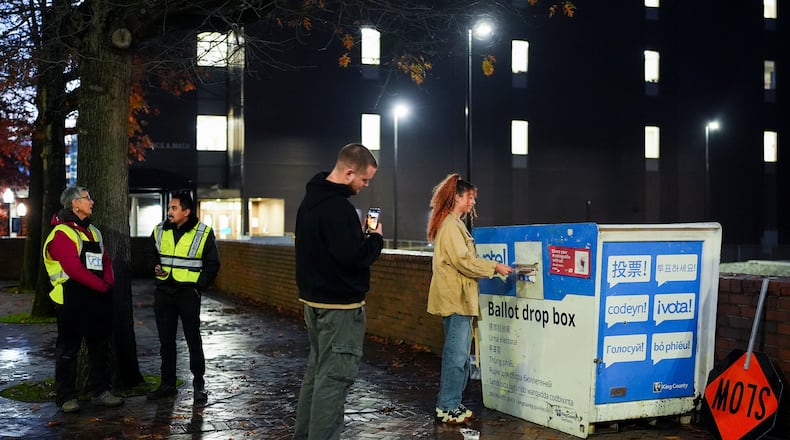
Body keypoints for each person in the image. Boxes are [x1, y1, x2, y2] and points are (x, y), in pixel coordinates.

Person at [293, 143, 384, 440]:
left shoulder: (310, 201)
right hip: (340, 309)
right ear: (348, 173)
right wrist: (375, 240)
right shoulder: (339, 209)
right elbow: (354, 257)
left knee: (316, 376)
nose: (365, 185)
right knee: (334, 381)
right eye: (364, 179)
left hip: (313, 302)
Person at [426, 173, 513, 424]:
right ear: (457, 197)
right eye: (470, 197)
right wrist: (494, 267)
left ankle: (451, 403)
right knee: (456, 356)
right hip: (456, 301)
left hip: (457, 299)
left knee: (460, 356)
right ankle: (448, 406)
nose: (473, 202)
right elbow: (464, 262)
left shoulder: (451, 224)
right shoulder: (452, 226)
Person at [43, 186, 124, 413]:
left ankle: (102, 391)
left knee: (100, 347)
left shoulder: (94, 231)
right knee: (68, 350)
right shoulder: (61, 233)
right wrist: (102, 286)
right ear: (74, 204)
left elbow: (105, 259)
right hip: (71, 300)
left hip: (97, 297)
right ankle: (66, 397)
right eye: (87, 198)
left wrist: (108, 282)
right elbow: (73, 269)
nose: (92, 202)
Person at [145, 192, 220, 404]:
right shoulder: (160, 230)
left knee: (193, 340)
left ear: (186, 212)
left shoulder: (203, 233)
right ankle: (167, 384)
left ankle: (199, 385)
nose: (169, 212)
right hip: (164, 293)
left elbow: (213, 264)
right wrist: (154, 266)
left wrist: (198, 287)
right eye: (169, 208)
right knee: (166, 342)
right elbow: (150, 253)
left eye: (174, 208)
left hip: (188, 293)